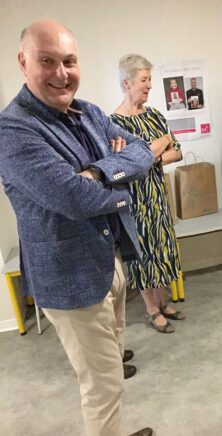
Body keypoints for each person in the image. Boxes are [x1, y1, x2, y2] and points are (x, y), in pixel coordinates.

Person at [0, 20, 154, 436]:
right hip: (70, 278)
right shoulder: (13, 130)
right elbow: (73, 198)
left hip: (109, 259)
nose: (61, 73)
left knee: (113, 364)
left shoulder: (88, 112)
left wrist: (98, 172)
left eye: (69, 61)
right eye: (47, 61)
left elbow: (143, 152)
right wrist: (123, 185)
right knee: (103, 387)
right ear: (23, 62)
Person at [110, 54, 185, 334]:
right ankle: (151, 309)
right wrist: (160, 144)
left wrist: (152, 154)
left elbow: (176, 151)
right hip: (134, 201)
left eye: (150, 79)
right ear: (127, 83)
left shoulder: (154, 115)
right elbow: (125, 166)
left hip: (158, 196)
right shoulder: (115, 124)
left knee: (162, 249)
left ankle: (162, 302)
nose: (150, 85)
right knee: (142, 255)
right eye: (144, 80)